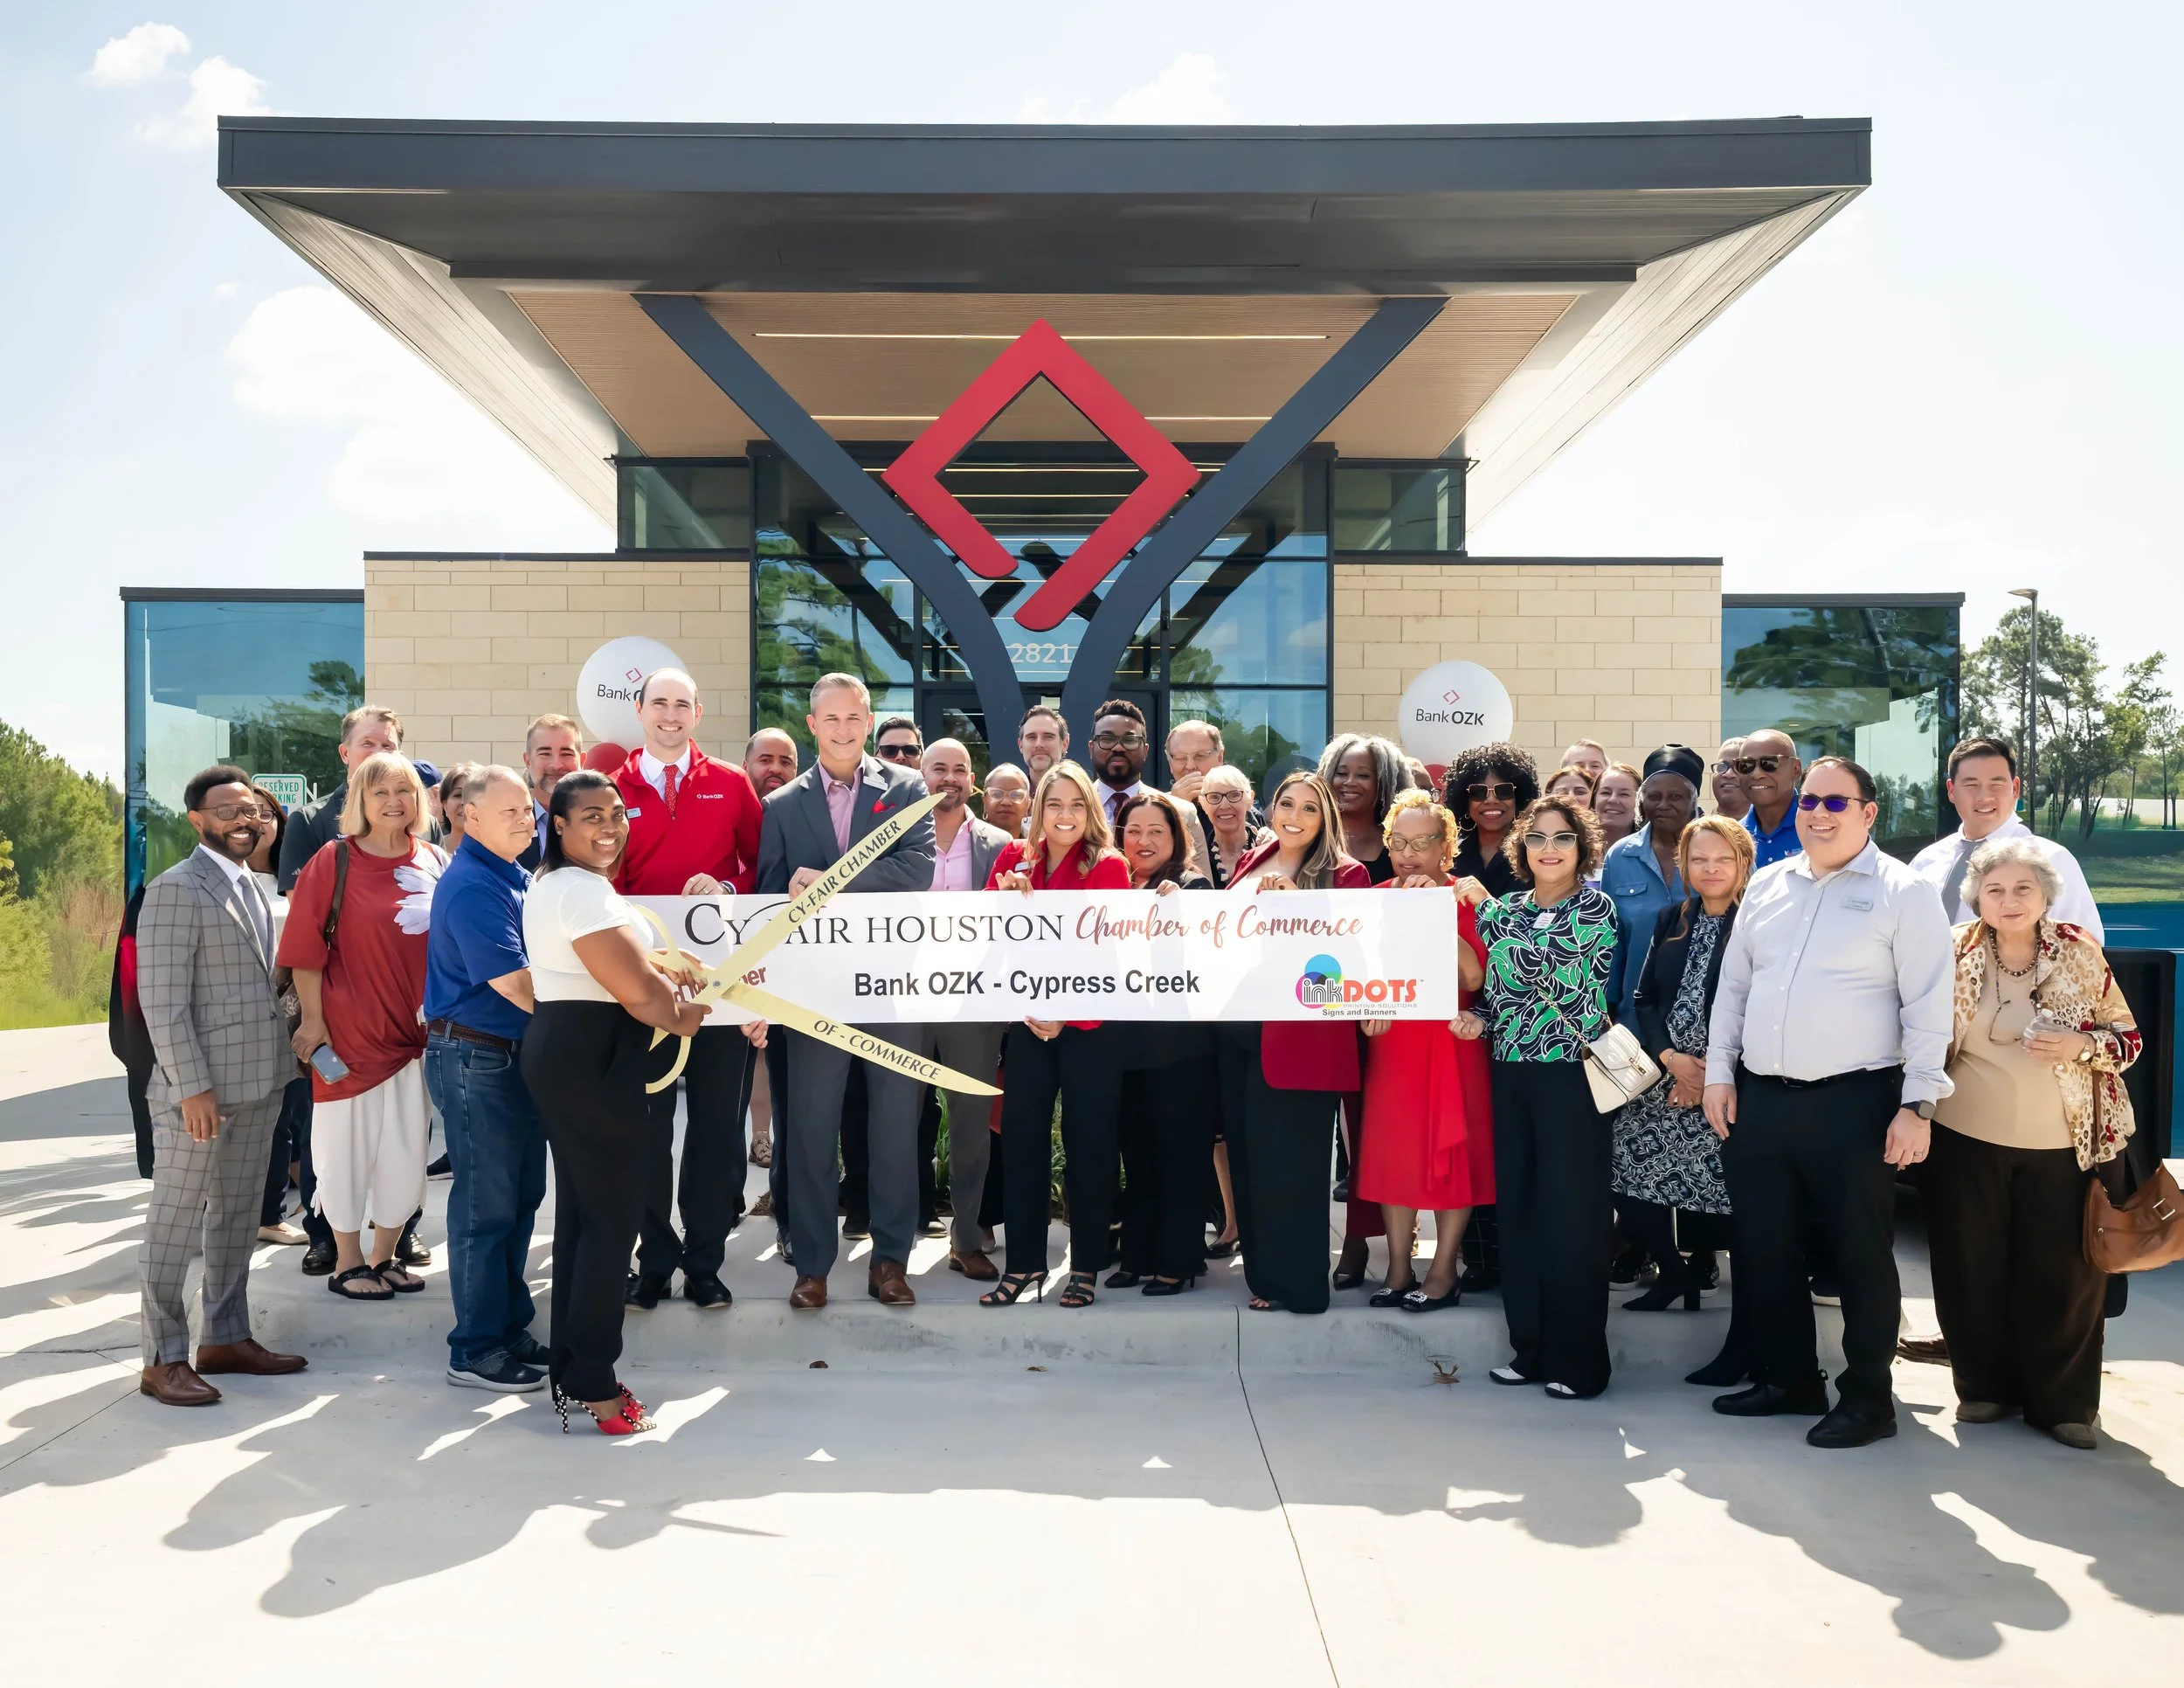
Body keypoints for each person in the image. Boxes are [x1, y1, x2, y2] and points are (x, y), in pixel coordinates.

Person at [1703, 755, 1955, 1449]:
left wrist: (1919, 1105)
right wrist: (1721, 1072)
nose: (1818, 812)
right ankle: (1789, 1380)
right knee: (1765, 1247)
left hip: (1858, 1102)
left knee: (1860, 1255)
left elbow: (1931, 1009)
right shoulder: (1770, 885)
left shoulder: (1903, 893)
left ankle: (1870, 1399)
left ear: (1869, 814)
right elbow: (1736, 988)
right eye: (1811, 800)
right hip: (1763, 1099)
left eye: (1836, 803)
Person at [522, 771, 718, 1435]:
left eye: (616, 813)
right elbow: (636, 991)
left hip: (582, 1054)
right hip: (590, 1058)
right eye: (592, 818)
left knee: (588, 1217)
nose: (609, 827)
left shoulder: (573, 887)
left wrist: (664, 966)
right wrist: (681, 1013)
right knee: (612, 1221)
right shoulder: (579, 892)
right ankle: (595, 1382)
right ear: (560, 826)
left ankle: (577, 1365)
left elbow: (630, 966)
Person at [1930, 835, 2139, 1449]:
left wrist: (2083, 1045)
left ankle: (2064, 1404)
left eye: (2023, 888)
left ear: (2046, 895)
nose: (2009, 899)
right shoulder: (1953, 950)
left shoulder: (2079, 952)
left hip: (2068, 1145)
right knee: (1970, 1267)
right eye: (1994, 889)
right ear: (1976, 899)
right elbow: (1919, 1039)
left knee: (2066, 1276)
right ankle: (1983, 1388)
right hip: (1965, 1139)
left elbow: (2128, 1041)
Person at [757, 672, 937, 1311]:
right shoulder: (780, 807)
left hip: (891, 988)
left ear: (868, 722)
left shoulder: (908, 787)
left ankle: (890, 1260)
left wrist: (831, 880)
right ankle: (811, 1264)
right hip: (811, 994)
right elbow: (768, 908)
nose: (841, 729)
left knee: (894, 1127)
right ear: (812, 724)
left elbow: (917, 869)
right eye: (829, 718)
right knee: (809, 1131)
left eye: (853, 717)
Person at [135, 765, 308, 1407]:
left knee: (237, 1220)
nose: (246, 819)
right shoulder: (177, 888)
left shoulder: (257, 888)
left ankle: (226, 1339)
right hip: (198, 1097)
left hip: (261, 1085)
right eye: (229, 810)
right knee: (175, 1225)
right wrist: (192, 1088)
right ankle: (163, 1356)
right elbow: (164, 1005)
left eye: (254, 811)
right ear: (198, 820)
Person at [612, 668, 764, 1313]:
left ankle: (705, 1262)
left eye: (683, 705)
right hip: (638, 987)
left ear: (697, 713)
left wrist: (729, 889)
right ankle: (654, 1260)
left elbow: (766, 871)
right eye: (659, 705)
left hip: (717, 989)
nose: (671, 716)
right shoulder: (608, 789)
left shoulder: (732, 785)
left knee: (714, 1134)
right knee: (644, 1133)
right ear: (640, 711)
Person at [1462, 796, 1620, 1398]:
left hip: (1572, 1077)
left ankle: (1581, 1363)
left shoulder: (1595, 907)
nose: (1548, 849)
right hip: (1512, 1072)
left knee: (1573, 1218)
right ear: (1521, 849)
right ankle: (1529, 1349)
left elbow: (1548, 973)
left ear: (1582, 848)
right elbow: (1503, 991)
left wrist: (1490, 915)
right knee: (1521, 1211)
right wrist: (1477, 1014)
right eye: (1537, 839)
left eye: (1561, 838)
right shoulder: (1508, 908)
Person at [279, 752, 446, 1303]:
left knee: (404, 1149)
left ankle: (386, 1254)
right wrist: (315, 1024)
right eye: (380, 793)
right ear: (361, 802)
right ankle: (347, 1262)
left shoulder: (435, 860)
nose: (394, 801)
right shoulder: (335, 858)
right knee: (344, 1149)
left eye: (404, 791)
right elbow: (305, 947)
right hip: (348, 1032)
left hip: (415, 1035)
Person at [1217, 771, 1372, 1315]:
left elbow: (1346, 964)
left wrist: (1298, 908)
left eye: (1310, 808)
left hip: (1302, 1039)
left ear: (1325, 817)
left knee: (1297, 1168)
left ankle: (1303, 1287)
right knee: (1252, 1160)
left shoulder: (1346, 875)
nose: (1295, 816)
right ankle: (1264, 1276)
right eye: (1287, 803)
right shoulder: (1250, 861)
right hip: (1238, 1033)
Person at [980, 760, 1134, 1309]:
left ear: (1089, 810)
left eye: (1075, 804)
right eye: (1053, 804)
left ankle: (1086, 1264)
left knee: (1089, 1146)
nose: (1064, 815)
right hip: (1026, 1024)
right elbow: (989, 942)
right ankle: (1023, 1265)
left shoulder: (1109, 865)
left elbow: (1109, 954)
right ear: (1037, 809)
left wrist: (1067, 1011)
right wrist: (1006, 901)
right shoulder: (1011, 860)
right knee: (1021, 1142)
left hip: (1090, 1026)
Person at [421, 766, 552, 1392]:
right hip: (478, 1060)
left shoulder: (515, 875)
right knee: (485, 1208)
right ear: (467, 818)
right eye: (511, 813)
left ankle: (507, 1328)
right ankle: (473, 1349)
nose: (527, 821)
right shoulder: (474, 885)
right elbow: (517, 986)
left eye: (528, 810)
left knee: (520, 1200)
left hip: (509, 1058)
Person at [1617, 816, 1752, 1337]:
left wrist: (1710, 1072)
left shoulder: (1757, 923)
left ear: (1743, 863)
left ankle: (1748, 1316)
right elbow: (1645, 997)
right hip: (1668, 1074)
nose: (1711, 868)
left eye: (1723, 859)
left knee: (1733, 1194)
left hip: (1729, 1083)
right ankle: (1674, 1274)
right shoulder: (1671, 917)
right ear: (1685, 866)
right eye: (1700, 859)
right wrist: (1671, 1059)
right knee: (1624, 1170)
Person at [1356, 791, 1491, 1311]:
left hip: (1452, 1041)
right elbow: (1358, 973)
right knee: (1394, 1155)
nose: (1408, 853)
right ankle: (1395, 1266)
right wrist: (1359, 1011)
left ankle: (1442, 1270)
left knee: (1450, 1156)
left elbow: (1475, 975)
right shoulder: (1375, 896)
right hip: (1393, 1043)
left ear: (1446, 848)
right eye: (1399, 842)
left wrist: (1432, 911)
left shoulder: (1463, 896)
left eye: (1421, 842)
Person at [898, 737, 1013, 1280]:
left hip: (973, 1003)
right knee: (897, 1122)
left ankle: (966, 1239)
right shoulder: (892, 838)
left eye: (959, 769)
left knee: (970, 1127)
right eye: (937, 768)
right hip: (900, 1000)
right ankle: (891, 1246)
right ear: (920, 776)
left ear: (973, 779)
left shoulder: (1001, 843)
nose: (949, 777)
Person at [1109, 791, 1221, 1296]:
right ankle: (1136, 1255)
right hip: (1125, 1050)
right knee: (1138, 1158)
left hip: (1180, 1052)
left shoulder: (1190, 885)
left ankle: (1178, 1260)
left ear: (1175, 838)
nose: (1144, 840)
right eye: (1134, 831)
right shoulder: (1109, 884)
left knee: (1180, 1156)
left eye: (1157, 831)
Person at [1911, 736, 2104, 938]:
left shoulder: (2051, 859)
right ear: (1951, 791)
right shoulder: (1925, 862)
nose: (1984, 797)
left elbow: (2084, 947)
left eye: (1996, 784)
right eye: (1971, 785)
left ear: (2015, 788)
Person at [238, 783, 309, 1248]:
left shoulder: (299, 879)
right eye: (249, 813)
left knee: (290, 1118)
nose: (259, 821)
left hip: (297, 1016)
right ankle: (248, 1212)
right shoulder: (226, 878)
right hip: (243, 1020)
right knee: (249, 1121)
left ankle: (272, 1212)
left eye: (267, 813)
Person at [1601, 748, 1704, 1029]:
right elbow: (1612, 939)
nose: (1663, 804)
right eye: (1654, 796)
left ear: (1694, 800)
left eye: (1675, 797)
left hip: (1703, 1019)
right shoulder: (1620, 856)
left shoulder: (1720, 851)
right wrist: (1607, 1008)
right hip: (1634, 1021)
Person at [740, 730, 800, 1177]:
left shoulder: (801, 814)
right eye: (766, 759)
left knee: (774, 1062)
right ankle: (753, 1146)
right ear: (747, 766)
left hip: (789, 967)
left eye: (786, 760)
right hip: (731, 960)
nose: (775, 768)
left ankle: (768, 1142)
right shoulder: (734, 813)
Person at [279, 705, 405, 893]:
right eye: (367, 743)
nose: (379, 753)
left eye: (387, 746)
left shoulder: (423, 823)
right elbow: (303, 910)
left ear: (400, 756)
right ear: (345, 753)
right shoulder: (308, 821)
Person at [1087, 698, 1210, 875]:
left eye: (1129, 740)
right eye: (1107, 739)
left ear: (1145, 750)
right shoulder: (1070, 813)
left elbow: (1202, 892)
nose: (1118, 747)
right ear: (1091, 748)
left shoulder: (1182, 813)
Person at [1443, 742, 1538, 901]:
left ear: (1519, 797)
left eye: (1503, 791)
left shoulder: (1534, 852)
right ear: (1465, 800)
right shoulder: (1450, 855)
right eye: (1478, 792)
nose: (1491, 800)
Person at [1320, 733, 1406, 884]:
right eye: (1341, 773)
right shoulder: (1311, 837)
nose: (1350, 782)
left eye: (1363, 775)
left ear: (1383, 784)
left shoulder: (1400, 843)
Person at [518, 715, 584, 870]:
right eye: (545, 754)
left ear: (582, 761)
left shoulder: (601, 823)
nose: (556, 765)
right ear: (528, 761)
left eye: (566, 753)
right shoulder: (507, 824)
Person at [1733, 729, 1804, 869]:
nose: (1757, 774)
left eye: (1769, 763)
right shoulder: (1734, 836)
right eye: (1746, 765)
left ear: (1795, 769)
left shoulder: (1818, 827)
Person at [1199, 764, 1271, 889]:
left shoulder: (1269, 850)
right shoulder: (1194, 856)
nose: (1225, 805)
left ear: (1250, 800)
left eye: (1234, 795)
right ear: (1203, 804)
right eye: (1214, 797)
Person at [1018, 703, 1070, 786]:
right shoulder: (1011, 797)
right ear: (1021, 745)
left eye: (1048, 737)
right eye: (1032, 737)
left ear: (1064, 744)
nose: (1039, 744)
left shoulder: (1084, 796)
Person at [437, 763, 482, 855]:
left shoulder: (503, 855)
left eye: (472, 796)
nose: (464, 803)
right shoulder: (428, 854)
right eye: (458, 795)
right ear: (444, 805)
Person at [1594, 762, 1641, 849]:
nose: (1613, 800)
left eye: (1624, 794)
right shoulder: (1577, 850)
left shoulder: (1654, 853)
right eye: (1606, 793)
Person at [743, 727, 799, 799]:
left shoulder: (812, 809)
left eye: (785, 762)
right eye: (765, 760)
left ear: (796, 769)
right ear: (745, 767)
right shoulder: (728, 808)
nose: (776, 769)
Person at [982, 762, 1032, 838]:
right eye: (997, 794)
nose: (1006, 802)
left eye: (1016, 795)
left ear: (1028, 805)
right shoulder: (968, 845)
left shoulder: (1039, 848)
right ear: (984, 801)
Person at [1711, 737, 1752, 821]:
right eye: (1721, 766)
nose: (1728, 774)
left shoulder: (1774, 831)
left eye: (1739, 766)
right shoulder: (1696, 831)